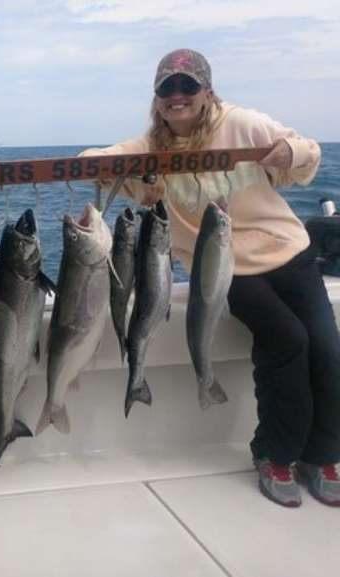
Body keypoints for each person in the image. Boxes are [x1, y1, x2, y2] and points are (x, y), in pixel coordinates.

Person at [80, 48, 340, 509]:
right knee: (287, 340)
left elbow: (308, 153)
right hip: (222, 266)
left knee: (327, 349)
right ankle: (274, 454)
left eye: (188, 85)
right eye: (167, 87)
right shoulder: (150, 146)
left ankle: (321, 457)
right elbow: (94, 160)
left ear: (207, 91)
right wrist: (118, 170)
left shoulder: (242, 123)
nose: (177, 95)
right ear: (157, 97)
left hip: (289, 250)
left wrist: (288, 151)